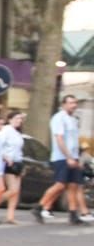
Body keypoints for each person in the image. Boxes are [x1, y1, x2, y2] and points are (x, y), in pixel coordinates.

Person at [33, 95, 90, 225]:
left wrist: (78, 159)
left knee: (73, 186)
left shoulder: (74, 120)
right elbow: (59, 139)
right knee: (60, 184)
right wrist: (68, 157)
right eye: (70, 103)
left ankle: (73, 214)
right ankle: (39, 207)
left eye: (75, 103)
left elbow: (74, 141)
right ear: (64, 104)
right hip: (62, 157)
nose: (73, 105)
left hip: (73, 157)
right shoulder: (59, 118)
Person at [0, 111, 26, 224]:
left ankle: (10, 216)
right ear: (10, 119)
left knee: (16, 192)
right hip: (9, 162)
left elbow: (19, 149)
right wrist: (5, 157)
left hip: (18, 161)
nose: (19, 121)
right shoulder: (6, 130)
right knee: (12, 189)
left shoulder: (17, 133)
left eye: (20, 119)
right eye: (16, 118)